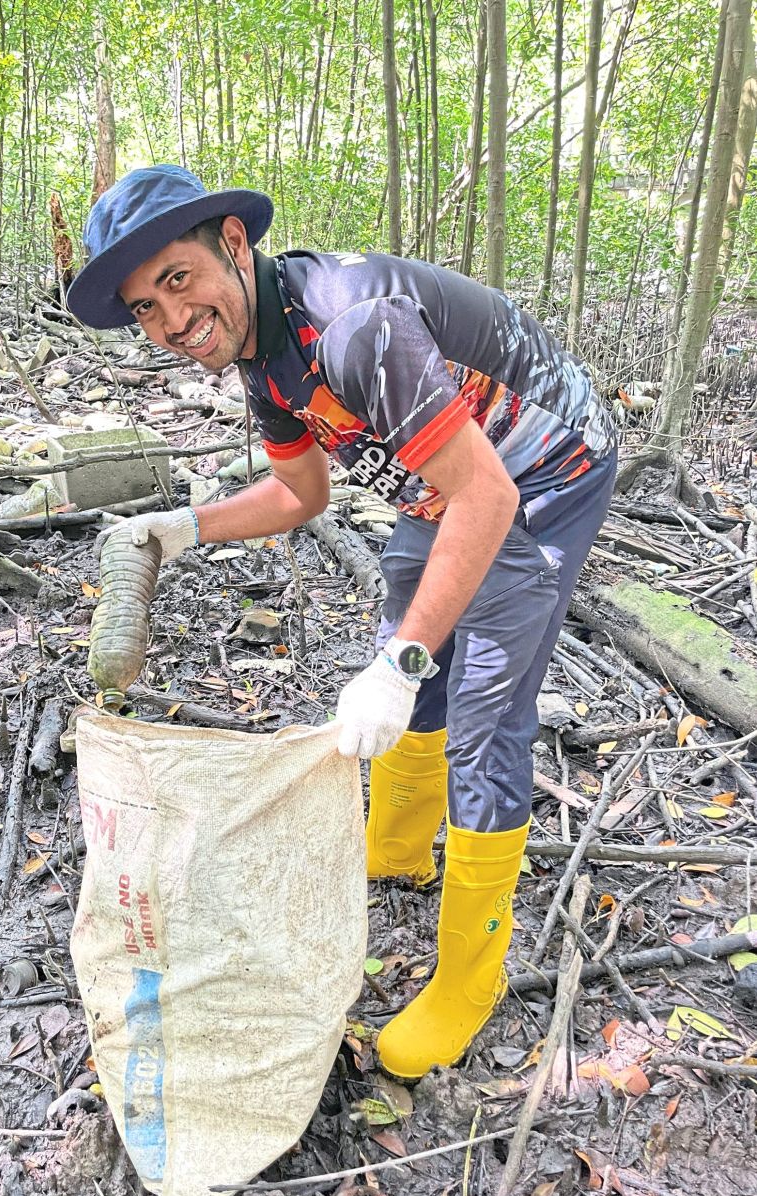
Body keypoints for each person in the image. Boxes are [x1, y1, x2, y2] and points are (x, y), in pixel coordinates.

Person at [67, 164, 617, 1079]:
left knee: (483, 702)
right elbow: (297, 492)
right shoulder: (266, 360)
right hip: (447, 472)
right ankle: (399, 849)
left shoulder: (356, 326)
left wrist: (400, 663)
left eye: (177, 280)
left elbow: (486, 495)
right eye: (144, 309)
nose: (170, 321)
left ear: (233, 247)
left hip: (541, 466)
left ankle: (468, 979)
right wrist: (182, 527)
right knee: (411, 595)